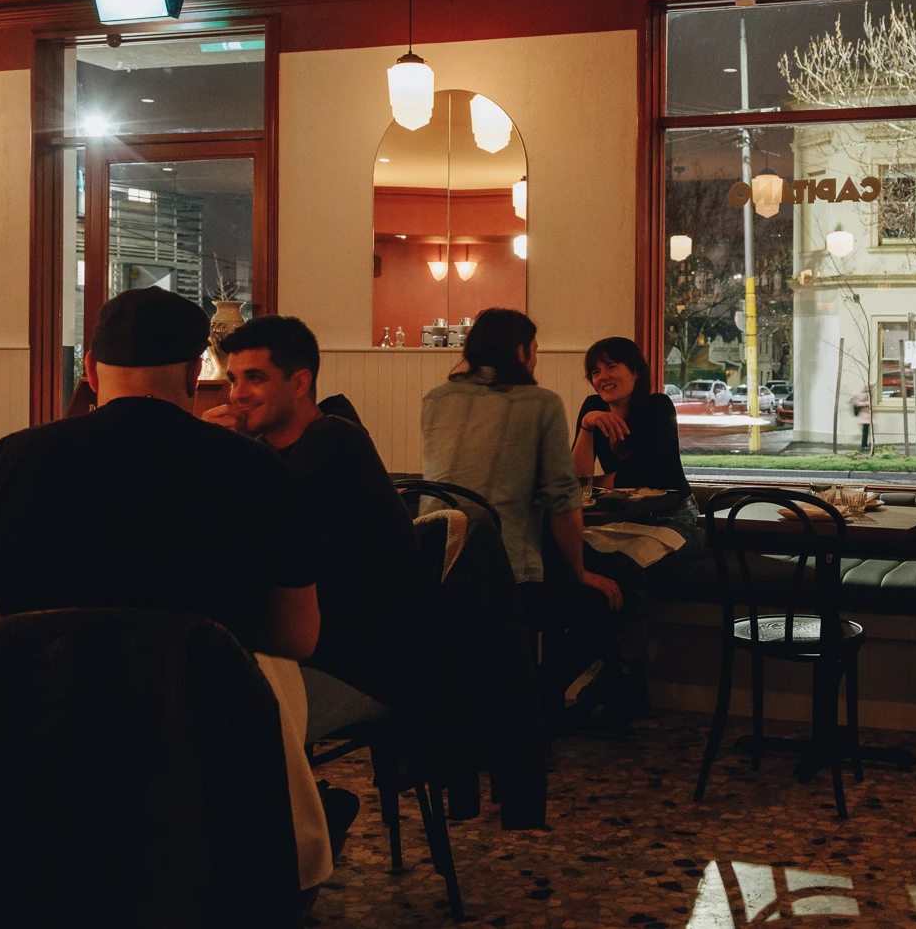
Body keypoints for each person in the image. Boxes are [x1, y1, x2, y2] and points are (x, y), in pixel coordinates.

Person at [0, 288, 319, 667]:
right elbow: (298, 638)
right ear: (194, 372)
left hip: (37, 719)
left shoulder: (3, 465)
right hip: (205, 719)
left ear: (90, 369)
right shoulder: (261, 470)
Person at [204, 315, 426, 727]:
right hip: (312, 653)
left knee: (208, 709)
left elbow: (258, 554)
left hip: (361, 669)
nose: (237, 394)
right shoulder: (272, 450)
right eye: (233, 379)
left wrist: (216, 460)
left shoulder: (334, 445)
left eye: (255, 378)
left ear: (300, 383)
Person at [421, 308, 626, 727]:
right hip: (504, 573)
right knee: (599, 603)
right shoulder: (541, 403)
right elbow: (563, 498)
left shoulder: (436, 399)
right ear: (520, 351)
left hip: (432, 568)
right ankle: (534, 703)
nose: (536, 358)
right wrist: (580, 571)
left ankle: (498, 707)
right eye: (534, 349)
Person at [571, 338, 702, 719]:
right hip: (623, 523)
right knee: (578, 558)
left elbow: (650, 475)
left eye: (611, 366)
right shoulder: (593, 410)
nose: (602, 377)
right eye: (595, 371)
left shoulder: (658, 406)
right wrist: (586, 426)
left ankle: (630, 678)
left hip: (675, 520)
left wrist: (601, 481)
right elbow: (577, 479)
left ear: (635, 372)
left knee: (626, 569)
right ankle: (610, 669)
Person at [853, 383, 874, 451]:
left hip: (866, 416)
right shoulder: (863, 394)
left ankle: (865, 444)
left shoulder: (868, 394)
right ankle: (863, 445)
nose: (871, 388)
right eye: (870, 387)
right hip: (864, 416)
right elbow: (857, 403)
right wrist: (867, 403)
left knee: (866, 431)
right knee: (865, 431)